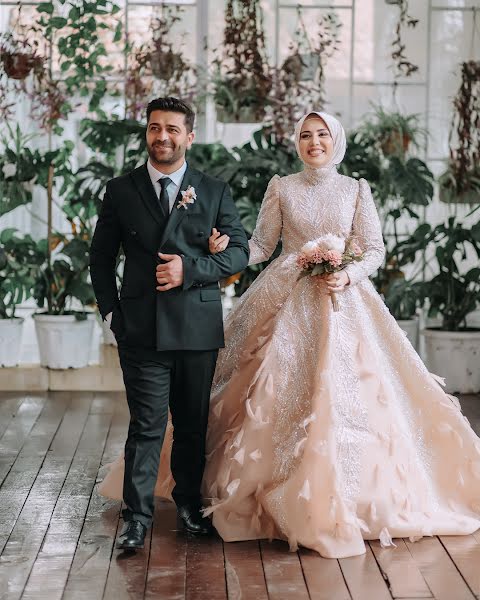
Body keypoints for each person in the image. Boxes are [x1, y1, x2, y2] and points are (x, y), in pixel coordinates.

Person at [98, 110, 480, 559]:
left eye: (321, 135)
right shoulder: (282, 186)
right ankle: (195, 499)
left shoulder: (357, 189)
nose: (313, 142)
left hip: (343, 300)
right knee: (257, 390)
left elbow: (374, 248)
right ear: (296, 142)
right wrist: (218, 247)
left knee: (356, 394)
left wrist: (350, 274)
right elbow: (259, 246)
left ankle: (352, 495)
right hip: (286, 291)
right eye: (305, 135)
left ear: (335, 140)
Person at [89, 97, 249, 550]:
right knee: (146, 424)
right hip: (139, 328)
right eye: (155, 128)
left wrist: (192, 268)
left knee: (193, 424)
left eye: (173, 129)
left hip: (196, 328)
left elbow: (239, 251)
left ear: (189, 136)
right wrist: (110, 311)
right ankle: (136, 517)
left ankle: (188, 506)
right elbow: (101, 258)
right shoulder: (122, 190)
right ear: (148, 133)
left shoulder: (213, 190)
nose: (163, 136)